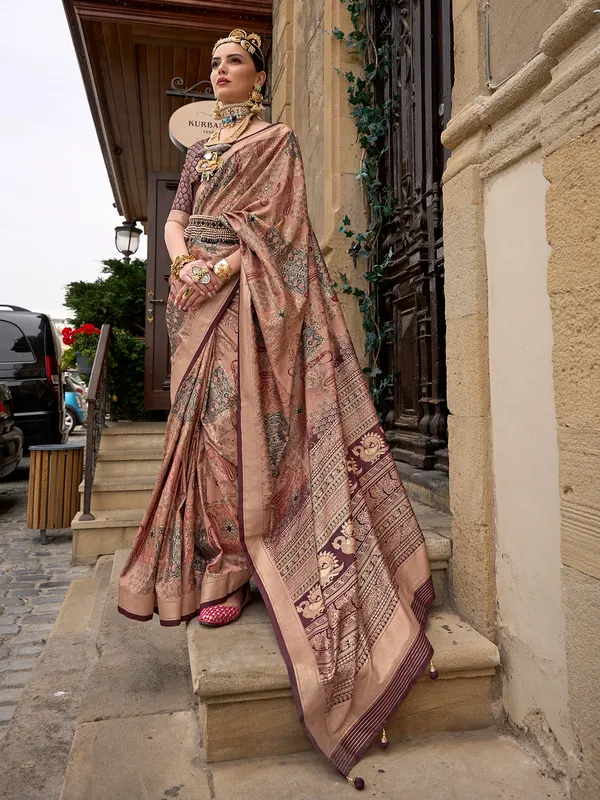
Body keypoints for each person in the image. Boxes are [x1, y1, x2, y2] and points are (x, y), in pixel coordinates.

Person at [117, 28, 436, 789]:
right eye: (214, 64)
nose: (219, 72)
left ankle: (248, 561)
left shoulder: (279, 142)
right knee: (199, 434)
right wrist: (183, 260)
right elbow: (175, 213)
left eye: (233, 62)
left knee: (235, 430)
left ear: (259, 75)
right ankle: (217, 565)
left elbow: (289, 233)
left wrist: (226, 263)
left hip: (251, 308)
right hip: (199, 303)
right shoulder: (201, 153)